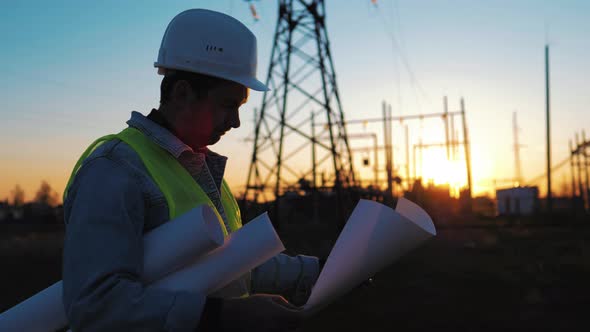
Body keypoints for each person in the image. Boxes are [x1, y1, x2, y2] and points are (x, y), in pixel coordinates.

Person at [62, 9, 320, 332]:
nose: (236, 122)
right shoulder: (114, 172)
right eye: (229, 105)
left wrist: (316, 271)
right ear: (182, 93)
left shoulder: (204, 173)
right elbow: (96, 306)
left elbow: (235, 268)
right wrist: (224, 316)